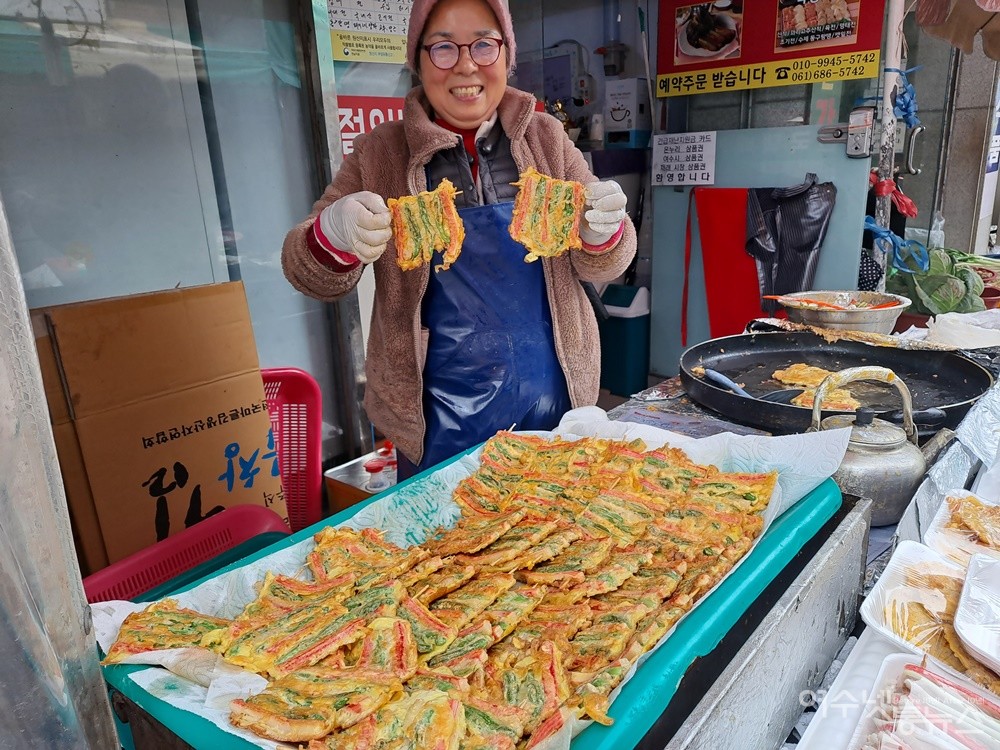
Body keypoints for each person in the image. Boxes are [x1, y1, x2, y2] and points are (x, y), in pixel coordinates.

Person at [282, 0, 636, 480]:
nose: (467, 64)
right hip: (433, 423)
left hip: (554, 404)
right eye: (444, 47)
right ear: (419, 59)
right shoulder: (379, 153)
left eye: (484, 45)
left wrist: (603, 232)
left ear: (507, 54)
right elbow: (311, 274)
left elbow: (604, 264)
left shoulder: (547, 139)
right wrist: (333, 237)